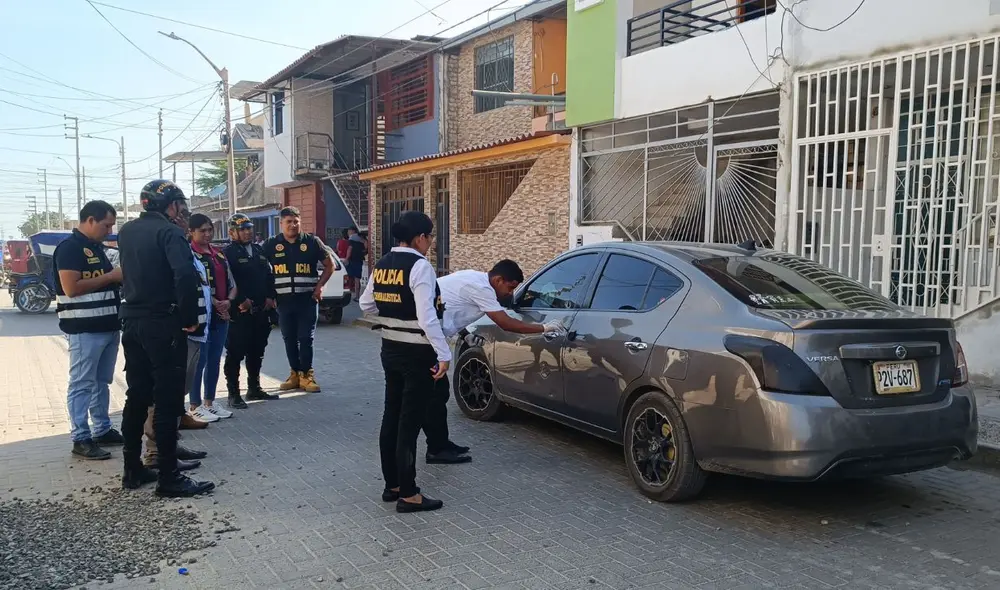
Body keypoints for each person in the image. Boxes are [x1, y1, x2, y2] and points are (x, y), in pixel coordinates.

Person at [117, 179, 214, 497]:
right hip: (162, 323)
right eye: (179, 206)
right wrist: (189, 318)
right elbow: (184, 275)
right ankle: (169, 477)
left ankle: (132, 468)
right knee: (168, 400)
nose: (181, 212)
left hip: (132, 322)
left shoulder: (127, 231)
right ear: (170, 206)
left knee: (137, 396)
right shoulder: (170, 232)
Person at [423, 260, 568, 464]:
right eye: (510, 287)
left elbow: (451, 306)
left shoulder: (473, 277)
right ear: (498, 280)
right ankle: (436, 449)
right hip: (426, 340)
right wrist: (544, 328)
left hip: (429, 335)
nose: (511, 293)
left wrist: (465, 335)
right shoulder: (483, 289)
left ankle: (441, 444)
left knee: (437, 394)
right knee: (434, 395)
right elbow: (505, 323)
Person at [359, 210, 449, 513]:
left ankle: (393, 485)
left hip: (390, 349)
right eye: (430, 236)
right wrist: (444, 353)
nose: (431, 242)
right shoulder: (420, 266)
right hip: (417, 354)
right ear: (420, 237)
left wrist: (392, 317)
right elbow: (427, 316)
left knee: (392, 416)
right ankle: (409, 494)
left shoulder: (383, 263)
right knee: (409, 423)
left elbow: (366, 303)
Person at [53, 200, 124, 460]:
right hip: (84, 329)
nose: (109, 230)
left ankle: (102, 428)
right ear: (90, 220)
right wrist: (112, 277)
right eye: (106, 225)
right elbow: (71, 288)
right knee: (82, 383)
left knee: (101, 382)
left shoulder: (98, 249)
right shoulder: (70, 248)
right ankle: (80, 437)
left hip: (108, 326)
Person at [142, 207, 209, 472]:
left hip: (195, 329)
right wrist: (189, 319)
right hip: (181, 328)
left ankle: (170, 442)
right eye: (180, 218)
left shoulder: (186, 250)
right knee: (165, 393)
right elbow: (180, 283)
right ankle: (156, 450)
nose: (182, 222)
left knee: (178, 390)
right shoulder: (168, 250)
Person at [262, 207, 335, 393]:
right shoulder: (271, 244)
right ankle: (294, 374)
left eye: (296, 221)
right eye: (289, 222)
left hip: (307, 300)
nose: (293, 225)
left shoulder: (312, 242)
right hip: (283, 301)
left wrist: (320, 286)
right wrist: (268, 294)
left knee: (305, 338)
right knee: (289, 338)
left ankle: (307, 375)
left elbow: (330, 266)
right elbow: (260, 269)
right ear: (281, 223)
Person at [223, 213, 278, 407]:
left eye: (249, 228)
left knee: (257, 351)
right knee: (235, 353)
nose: (247, 232)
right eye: (242, 229)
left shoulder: (258, 250)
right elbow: (227, 281)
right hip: (240, 312)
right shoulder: (227, 253)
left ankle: (254, 388)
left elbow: (269, 275)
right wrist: (240, 300)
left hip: (261, 311)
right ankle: (233, 394)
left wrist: (271, 297)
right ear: (232, 232)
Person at [187, 214, 237, 422]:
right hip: (202, 316)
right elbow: (194, 285)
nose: (207, 234)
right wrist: (215, 302)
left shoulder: (219, 254)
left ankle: (210, 402)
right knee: (199, 361)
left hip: (221, 315)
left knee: (215, 360)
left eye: (210, 230)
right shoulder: (189, 255)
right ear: (191, 232)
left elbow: (232, 283)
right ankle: (194, 405)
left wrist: (228, 302)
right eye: (202, 231)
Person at [346, 226, 366, 299]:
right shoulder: (362, 239)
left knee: (349, 277)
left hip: (352, 261)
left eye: (349, 231)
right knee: (357, 278)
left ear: (353, 231)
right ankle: (357, 296)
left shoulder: (351, 239)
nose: (348, 233)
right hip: (359, 260)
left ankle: (351, 293)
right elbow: (365, 247)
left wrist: (346, 258)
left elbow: (350, 249)